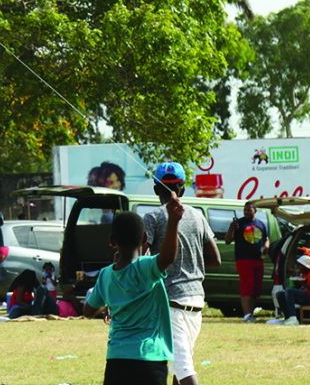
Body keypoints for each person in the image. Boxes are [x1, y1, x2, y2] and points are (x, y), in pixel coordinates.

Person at [85, 197, 183, 385]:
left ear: (112, 241)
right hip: (150, 358)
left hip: (117, 359)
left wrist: (109, 303)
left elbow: (88, 311)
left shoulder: (105, 275)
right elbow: (168, 257)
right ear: (144, 238)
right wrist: (173, 221)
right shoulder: (146, 267)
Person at [143, 162, 221, 385]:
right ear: (183, 189)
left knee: (185, 372)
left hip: (171, 305)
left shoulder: (152, 217)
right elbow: (216, 259)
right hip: (196, 301)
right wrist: (191, 264)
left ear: (156, 189)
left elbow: (140, 259)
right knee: (179, 370)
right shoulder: (197, 215)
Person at [224, 202, 269, 322]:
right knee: (247, 287)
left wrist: (266, 246)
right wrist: (231, 228)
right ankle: (247, 315)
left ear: (255, 211)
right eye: (245, 210)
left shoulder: (260, 224)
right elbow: (227, 240)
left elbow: (266, 239)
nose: (246, 212)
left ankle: (251, 314)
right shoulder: (238, 223)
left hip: (258, 260)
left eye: (249, 210)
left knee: (256, 288)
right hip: (244, 259)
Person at [275, 254, 310, 325]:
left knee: (289, 291)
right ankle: (288, 317)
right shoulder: (303, 274)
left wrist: (304, 284)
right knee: (280, 294)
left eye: (300, 265)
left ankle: (293, 317)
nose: (298, 267)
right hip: (304, 295)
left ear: (305, 266)